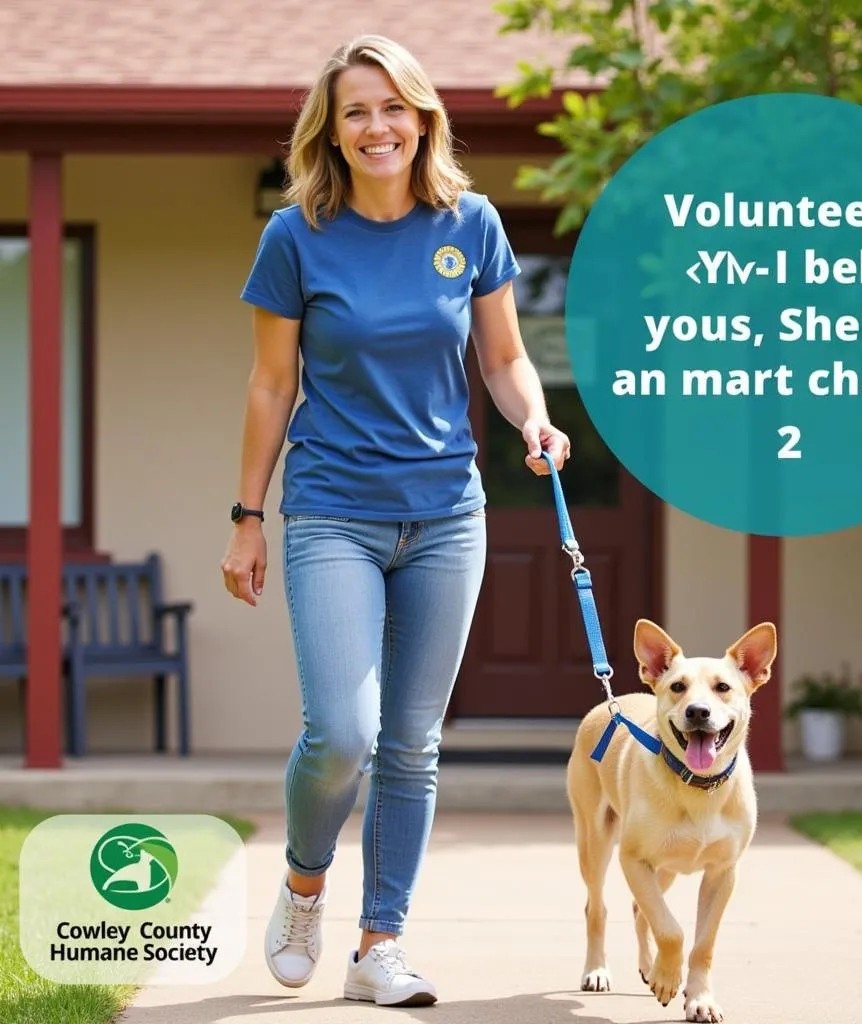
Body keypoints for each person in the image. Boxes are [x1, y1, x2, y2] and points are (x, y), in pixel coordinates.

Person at [220, 33, 571, 1008]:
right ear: (331, 132)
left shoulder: (473, 223)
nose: (378, 127)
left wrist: (534, 419)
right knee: (341, 730)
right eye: (356, 112)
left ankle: (381, 943)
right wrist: (247, 516)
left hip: (449, 515)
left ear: (422, 118)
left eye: (392, 107)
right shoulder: (296, 236)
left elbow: (502, 360)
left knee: (412, 744)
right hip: (332, 508)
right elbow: (270, 382)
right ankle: (301, 879)